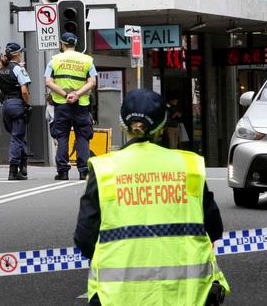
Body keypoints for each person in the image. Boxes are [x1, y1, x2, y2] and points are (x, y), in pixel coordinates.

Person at [74, 89, 229, 306]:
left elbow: (84, 237)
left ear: (122, 124)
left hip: (118, 296)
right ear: (162, 127)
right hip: (189, 295)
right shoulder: (188, 165)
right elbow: (215, 228)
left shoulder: (105, 169)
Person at [45, 32, 97, 180]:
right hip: (81, 105)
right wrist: (77, 94)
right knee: (82, 137)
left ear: (62, 44)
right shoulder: (87, 60)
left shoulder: (54, 60)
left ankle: (62, 172)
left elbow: (48, 82)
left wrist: (65, 94)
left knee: (62, 136)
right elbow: (92, 82)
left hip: (62, 104)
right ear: (75, 44)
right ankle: (83, 171)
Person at [0, 42, 31, 180]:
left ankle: (23, 165)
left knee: (16, 137)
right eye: (20, 52)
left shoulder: (0, 69)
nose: (21, 54)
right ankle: (13, 170)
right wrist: (27, 104)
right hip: (16, 104)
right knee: (17, 138)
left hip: (5, 105)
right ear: (16, 54)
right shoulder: (18, 69)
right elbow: (24, 90)